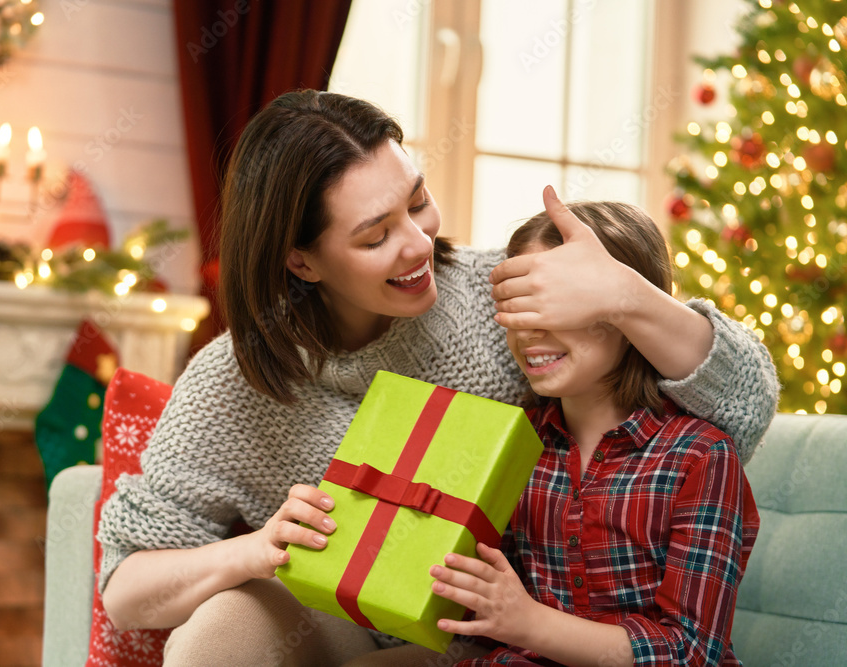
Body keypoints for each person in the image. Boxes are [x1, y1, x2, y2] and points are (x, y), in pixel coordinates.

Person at [97, 90, 777, 666]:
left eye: (417, 201)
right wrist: (253, 550)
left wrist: (628, 297)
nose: (419, 242)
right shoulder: (234, 381)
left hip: (491, 632)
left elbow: (743, 405)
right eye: (375, 235)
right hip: (339, 620)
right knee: (218, 633)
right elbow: (125, 584)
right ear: (300, 261)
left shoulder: (501, 296)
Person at [430, 201, 759, 667]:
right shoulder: (513, 443)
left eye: (554, 306)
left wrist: (529, 623)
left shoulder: (700, 456)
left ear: (623, 313)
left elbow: (690, 653)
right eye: (516, 309)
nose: (528, 332)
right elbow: (475, 606)